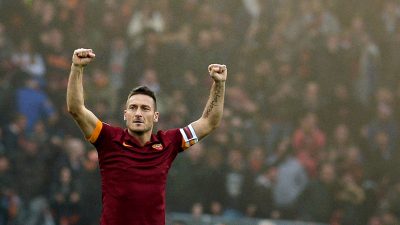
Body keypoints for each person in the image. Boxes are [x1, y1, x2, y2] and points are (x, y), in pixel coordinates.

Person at [66, 48, 227, 225]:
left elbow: (209, 122)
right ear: (125, 114)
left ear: (156, 116)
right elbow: (76, 109)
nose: (138, 113)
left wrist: (219, 84)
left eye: (145, 108)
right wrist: (76, 68)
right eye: (133, 108)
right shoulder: (109, 139)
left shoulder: (168, 142)